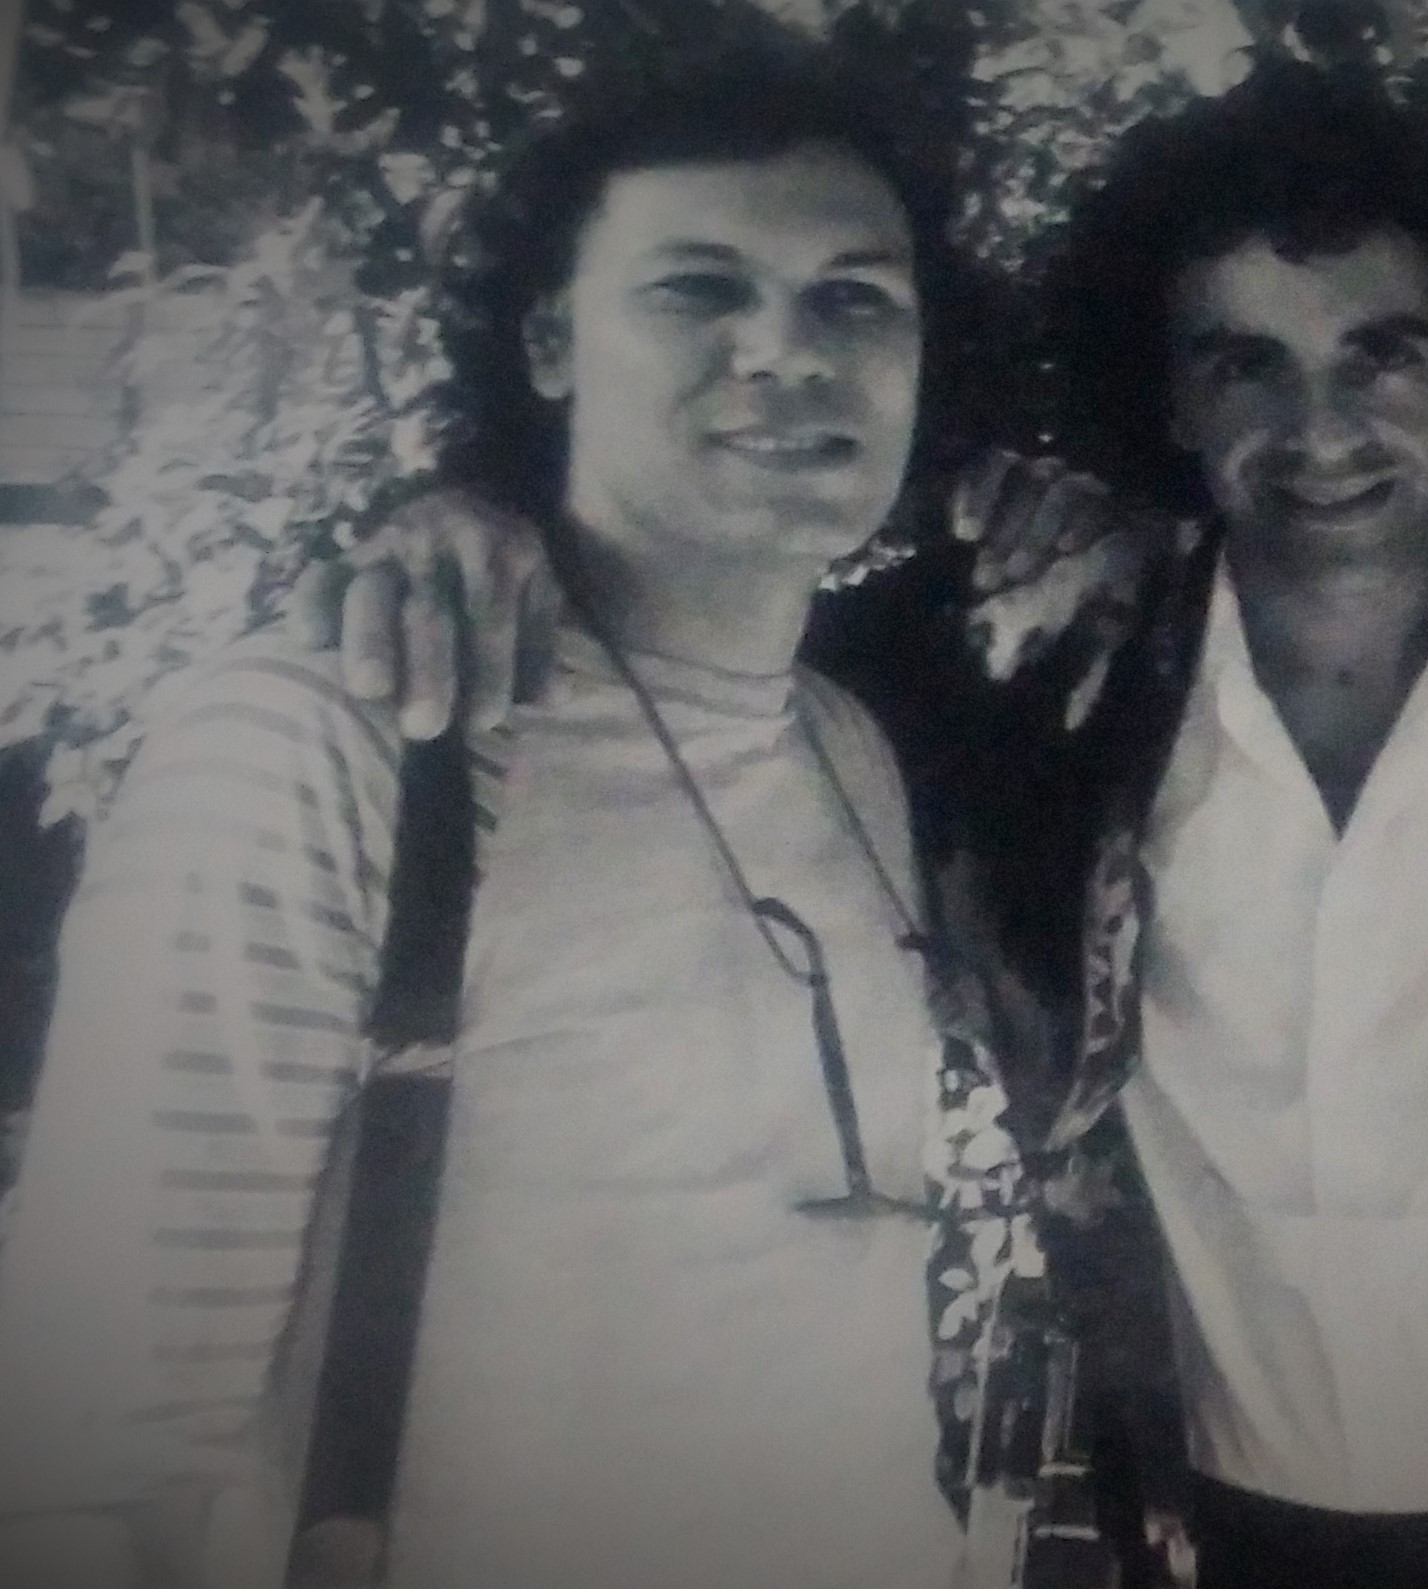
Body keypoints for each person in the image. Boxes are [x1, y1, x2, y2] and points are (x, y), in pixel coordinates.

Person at [302, 59, 1428, 1589]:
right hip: (1219, 1526)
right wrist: (480, 505)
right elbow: (702, 632)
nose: (1319, 424)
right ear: (1168, 400)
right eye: (1242, 364)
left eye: (1380, 354)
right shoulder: (1040, 687)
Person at [0, 41, 1078, 1589]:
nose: (787, 350)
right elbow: (91, 1453)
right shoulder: (336, 741)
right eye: (696, 289)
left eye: (855, 297)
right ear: (549, 341)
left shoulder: (852, 749)